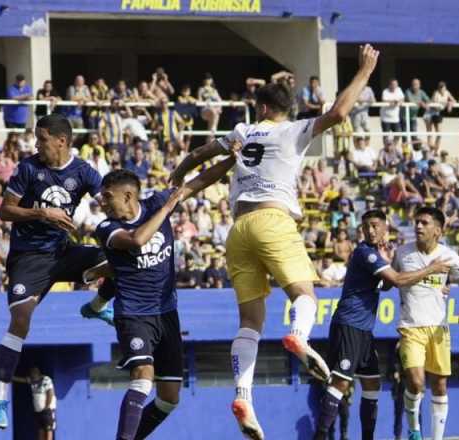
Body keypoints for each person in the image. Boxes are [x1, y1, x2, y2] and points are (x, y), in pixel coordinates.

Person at [167, 44, 381, 440]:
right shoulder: (293, 129)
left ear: (261, 107)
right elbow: (337, 112)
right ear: (283, 109)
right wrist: (365, 71)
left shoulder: (243, 132)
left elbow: (202, 154)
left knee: (249, 323)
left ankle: (243, 396)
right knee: (305, 295)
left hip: (238, 230)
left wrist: (178, 177)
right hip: (273, 220)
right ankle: (299, 338)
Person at [0, 113, 116, 430]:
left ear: (62, 141)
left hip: (62, 253)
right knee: (20, 320)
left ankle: (97, 306)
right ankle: (0, 397)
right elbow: (5, 210)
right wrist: (42, 213)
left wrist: (118, 222)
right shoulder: (29, 168)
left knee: (121, 254)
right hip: (28, 258)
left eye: (41, 139)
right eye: (36, 138)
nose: (37, 144)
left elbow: (109, 201)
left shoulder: (85, 172)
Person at [94, 165, 231, 440]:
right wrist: (166, 210)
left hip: (167, 313)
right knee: (143, 374)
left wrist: (231, 159)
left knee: (169, 398)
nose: (102, 203)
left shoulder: (156, 202)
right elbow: (136, 240)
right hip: (134, 315)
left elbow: (200, 180)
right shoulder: (107, 227)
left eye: (108, 196)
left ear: (129, 196)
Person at [314, 210, 451, 440]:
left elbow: (387, 285)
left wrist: (390, 261)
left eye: (375, 225)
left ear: (385, 227)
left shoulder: (376, 254)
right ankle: (319, 436)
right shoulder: (365, 253)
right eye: (366, 226)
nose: (370, 230)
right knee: (341, 382)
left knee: (372, 383)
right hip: (349, 323)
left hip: (364, 329)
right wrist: (431, 269)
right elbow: (397, 280)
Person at [394, 206, 459, 440]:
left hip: (438, 329)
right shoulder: (402, 253)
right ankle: (414, 430)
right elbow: (392, 280)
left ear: (438, 230)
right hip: (411, 326)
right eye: (417, 222)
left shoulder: (449, 256)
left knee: (440, 386)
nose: (418, 226)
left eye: (424, 223)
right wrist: (430, 270)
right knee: (415, 382)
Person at [12, 367, 56, 440]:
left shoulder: (46, 379)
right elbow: (21, 380)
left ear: (38, 372)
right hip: (38, 411)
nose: (32, 375)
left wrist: (47, 407)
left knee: (48, 429)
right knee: (40, 430)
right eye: (31, 373)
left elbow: (50, 393)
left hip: (48, 410)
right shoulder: (32, 380)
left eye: (34, 372)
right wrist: (10, 377)